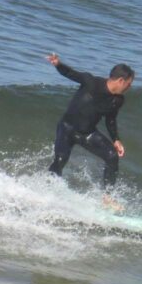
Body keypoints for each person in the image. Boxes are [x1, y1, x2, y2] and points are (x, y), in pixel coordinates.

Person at [46, 53, 134, 188]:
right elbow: (70, 73)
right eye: (129, 84)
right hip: (66, 128)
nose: (129, 88)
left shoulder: (117, 100)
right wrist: (58, 64)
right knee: (60, 160)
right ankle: (49, 185)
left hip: (87, 133)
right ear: (121, 81)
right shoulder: (91, 82)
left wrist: (116, 139)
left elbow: (110, 119)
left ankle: (108, 196)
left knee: (112, 156)